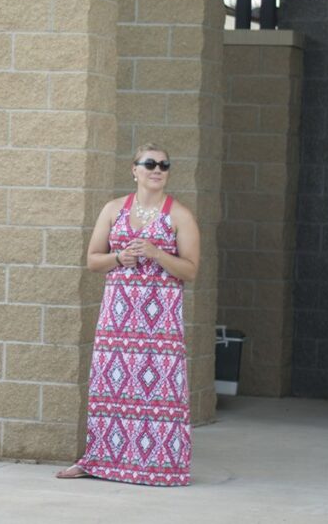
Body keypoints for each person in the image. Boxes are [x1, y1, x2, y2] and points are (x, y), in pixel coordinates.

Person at [56, 143, 200, 485]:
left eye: (164, 165)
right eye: (149, 164)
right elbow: (93, 260)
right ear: (133, 169)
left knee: (160, 395)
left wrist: (156, 253)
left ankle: (160, 466)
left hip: (159, 324)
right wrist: (120, 258)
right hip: (118, 320)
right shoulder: (113, 209)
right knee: (111, 389)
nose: (157, 170)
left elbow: (191, 270)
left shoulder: (179, 215)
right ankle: (101, 460)